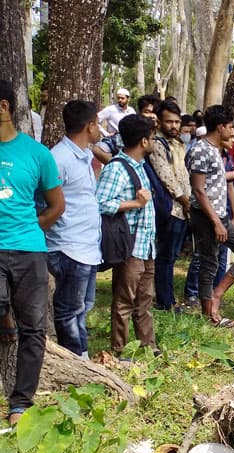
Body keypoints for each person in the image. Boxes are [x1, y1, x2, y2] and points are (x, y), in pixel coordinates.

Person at [0, 80, 65, 424]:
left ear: (4, 108)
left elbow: (57, 205)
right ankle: (4, 319)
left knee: (35, 329)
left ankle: (20, 403)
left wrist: (29, 230)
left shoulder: (37, 154)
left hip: (29, 251)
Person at [186, 105, 234, 327]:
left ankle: (217, 295)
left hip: (220, 215)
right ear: (220, 128)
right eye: (231, 127)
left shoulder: (213, 150)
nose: (233, 132)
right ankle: (209, 315)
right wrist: (216, 222)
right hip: (208, 218)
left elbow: (218, 177)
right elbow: (199, 190)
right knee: (209, 263)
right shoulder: (200, 150)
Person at [95, 114, 158, 357]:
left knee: (145, 300)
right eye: (152, 138)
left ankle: (148, 347)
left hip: (146, 245)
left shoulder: (139, 167)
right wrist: (135, 203)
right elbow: (100, 203)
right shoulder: (117, 169)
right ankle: (118, 351)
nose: (153, 142)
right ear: (143, 141)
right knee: (124, 301)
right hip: (130, 246)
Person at [46, 100, 101, 359]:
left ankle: (82, 356)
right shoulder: (59, 159)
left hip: (88, 246)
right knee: (69, 309)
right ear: (89, 127)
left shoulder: (86, 155)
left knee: (84, 306)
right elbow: (42, 201)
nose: (100, 129)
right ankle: (76, 359)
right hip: (68, 247)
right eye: (98, 123)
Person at [148, 100, 193, 312]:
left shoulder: (178, 143)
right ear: (159, 122)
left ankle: (168, 298)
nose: (174, 126)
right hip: (171, 208)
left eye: (177, 122)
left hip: (183, 207)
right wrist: (184, 200)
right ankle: (166, 302)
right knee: (165, 256)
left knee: (172, 256)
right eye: (169, 122)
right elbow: (166, 177)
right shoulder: (157, 144)